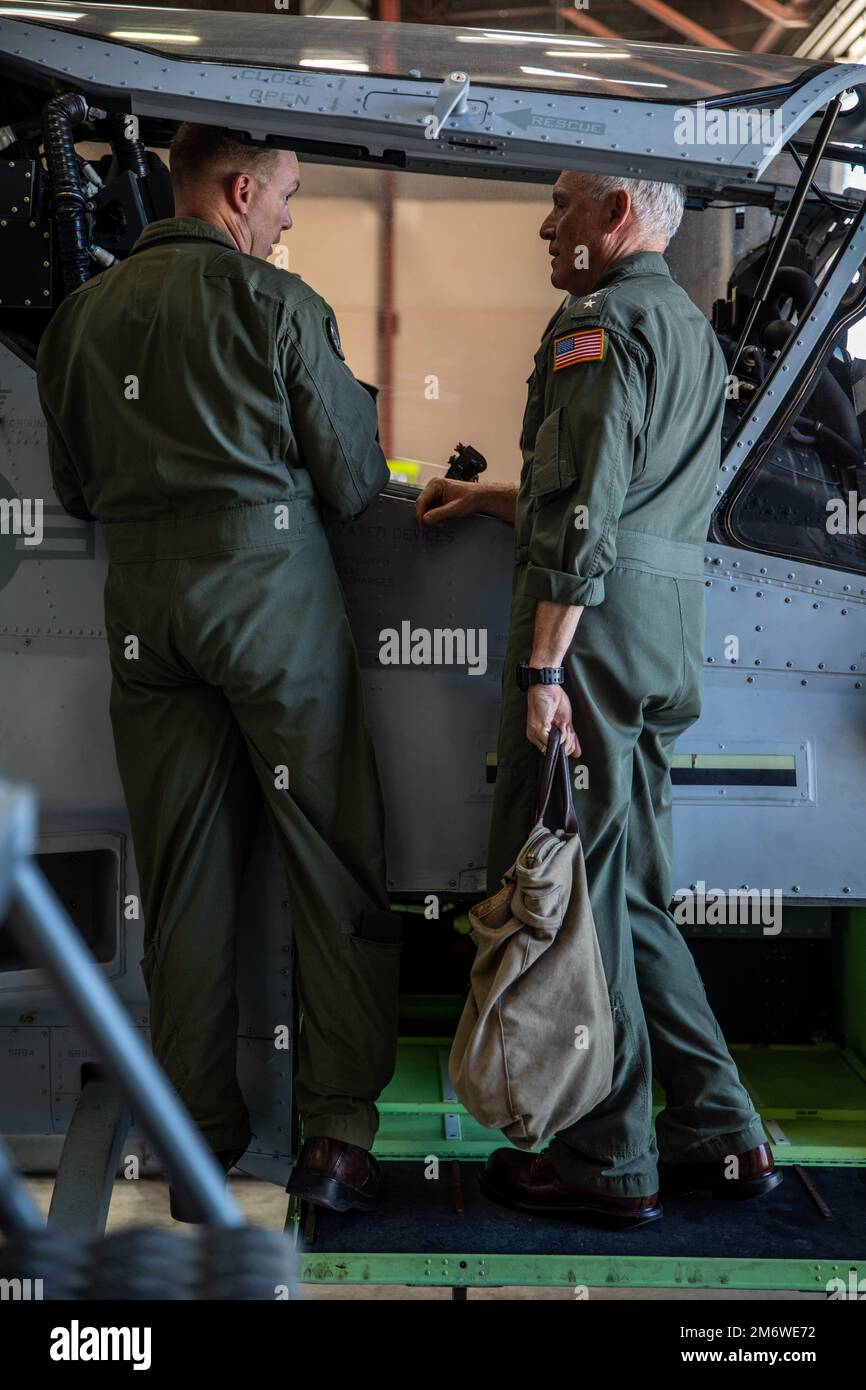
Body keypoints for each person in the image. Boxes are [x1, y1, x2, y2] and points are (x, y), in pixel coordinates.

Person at [36, 123, 400, 1219]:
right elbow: (352, 479)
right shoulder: (275, 305)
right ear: (241, 191)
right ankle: (336, 1135)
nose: (288, 217)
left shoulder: (80, 320)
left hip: (146, 615)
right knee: (332, 857)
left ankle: (197, 1147)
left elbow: (77, 492)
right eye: (286, 196)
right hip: (267, 605)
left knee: (181, 881)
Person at [416, 170, 780, 1230]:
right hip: (661, 639)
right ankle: (721, 1131)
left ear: (614, 215)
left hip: (594, 644)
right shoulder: (686, 329)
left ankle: (605, 1160)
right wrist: (491, 495)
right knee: (624, 894)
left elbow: (582, 513)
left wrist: (541, 670)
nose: (543, 222)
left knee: (570, 895)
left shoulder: (593, 325)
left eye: (563, 204)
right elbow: (625, 486)